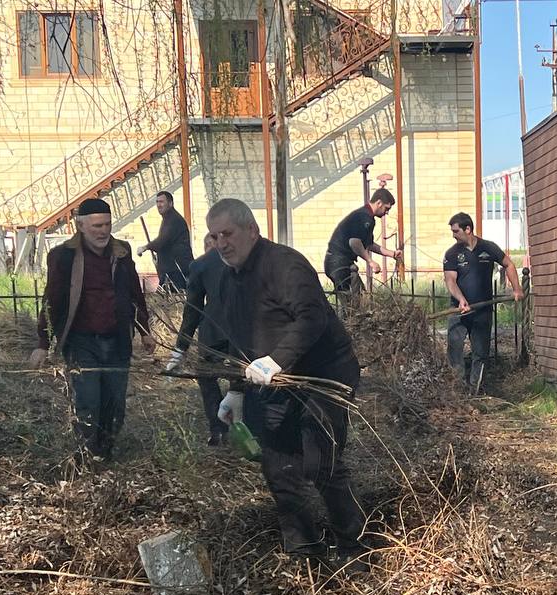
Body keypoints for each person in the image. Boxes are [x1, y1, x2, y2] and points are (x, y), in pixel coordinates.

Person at [207, 198, 367, 561]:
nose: (221, 244)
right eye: (214, 237)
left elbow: (311, 317)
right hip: (276, 382)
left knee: (319, 463)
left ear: (252, 229)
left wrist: (276, 361)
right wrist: (236, 391)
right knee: (278, 467)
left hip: (324, 375)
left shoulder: (285, 264)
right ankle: (303, 551)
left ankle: (353, 548)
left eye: (227, 234)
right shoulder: (228, 280)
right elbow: (242, 339)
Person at [30, 197, 154, 462]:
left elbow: (135, 293)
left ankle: (105, 453)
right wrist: (43, 342)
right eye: (97, 225)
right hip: (82, 342)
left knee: (114, 403)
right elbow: (52, 299)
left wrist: (145, 330)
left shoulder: (122, 252)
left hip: (117, 340)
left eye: (107, 224)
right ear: (81, 226)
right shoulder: (63, 256)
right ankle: (87, 455)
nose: (103, 231)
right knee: (88, 401)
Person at [166, 233, 234, 445]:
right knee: (243, 379)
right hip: (244, 333)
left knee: (207, 378)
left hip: (213, 332)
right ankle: (245, 427)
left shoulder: (202, 264)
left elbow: (192, 310)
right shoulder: (247, 257)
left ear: (208, 245)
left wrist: (180, 348)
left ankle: (218, 431)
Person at [441, 212, 521, 393]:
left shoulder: (488, 248)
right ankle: (458, 390)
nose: (453, 235)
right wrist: (461, 300)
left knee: (480, 352)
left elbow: (508, 264)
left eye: (456, 231)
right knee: (455, 351)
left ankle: (475, 390)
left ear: (468, 229)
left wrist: (517, 289)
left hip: (482, 310)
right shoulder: (452, 254)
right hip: (458, 311)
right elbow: (450, 281)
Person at [322, 188, 402, 297]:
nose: (387, 212)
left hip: (340, 263)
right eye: (386, 208)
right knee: (352, 303)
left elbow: (369, 244)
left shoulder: (367, 217)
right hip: (338, 263)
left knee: (359, 297)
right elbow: (354, 242)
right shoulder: (364, 217)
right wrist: (370, 261)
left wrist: (392, 254)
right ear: (379, 203)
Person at [138, 190, 194, 291]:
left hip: (177, 270)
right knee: (166, 301)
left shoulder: (174, 220)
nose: (159, 205)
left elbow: (163, 240)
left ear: (170, 203)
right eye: (157, 202)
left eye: (162, 202)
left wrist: (145, 247)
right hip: (171, 269)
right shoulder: (168, 219)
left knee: (175, 301)